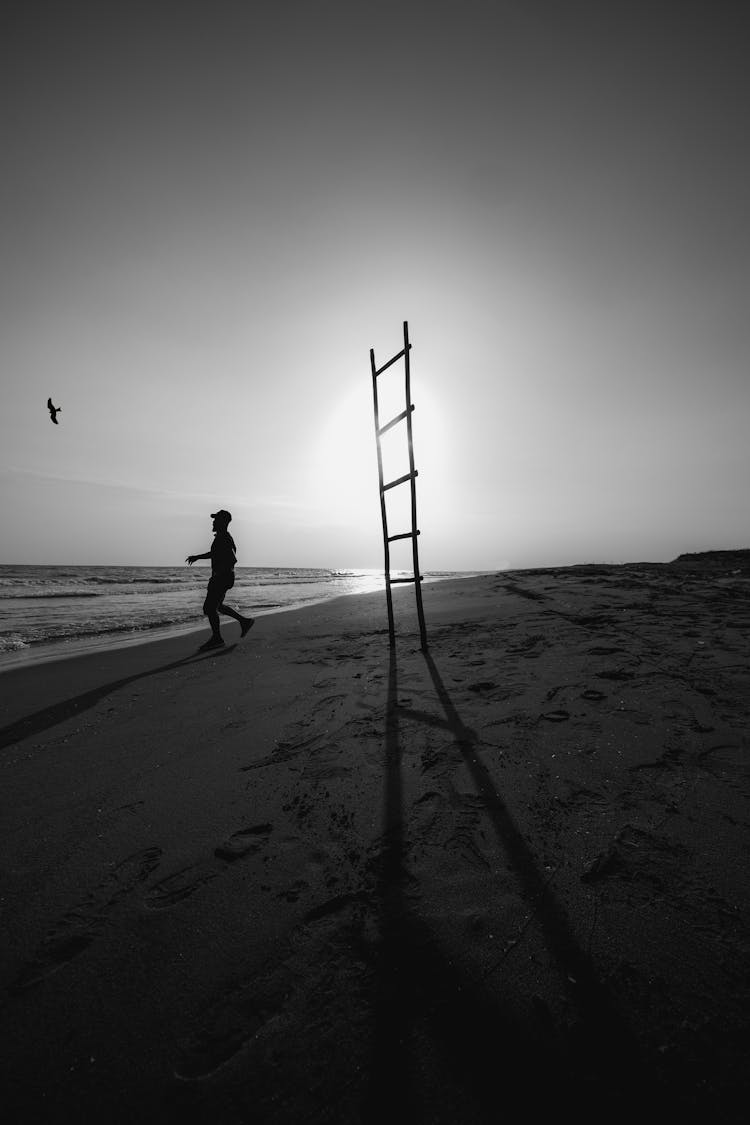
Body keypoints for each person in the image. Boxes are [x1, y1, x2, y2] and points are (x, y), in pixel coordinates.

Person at [186, 510, 254, 651]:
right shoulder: (222, 537)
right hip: (224, 577)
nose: (213, 522)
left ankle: (217, 639)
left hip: (221, 577)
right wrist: (198, 557)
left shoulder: (224, 537)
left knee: (209, 608)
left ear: (223, 522)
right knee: (218, 606)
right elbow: (216, 553)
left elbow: (232, 558)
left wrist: (221, 572)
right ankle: (244, 621)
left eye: (216, 519)